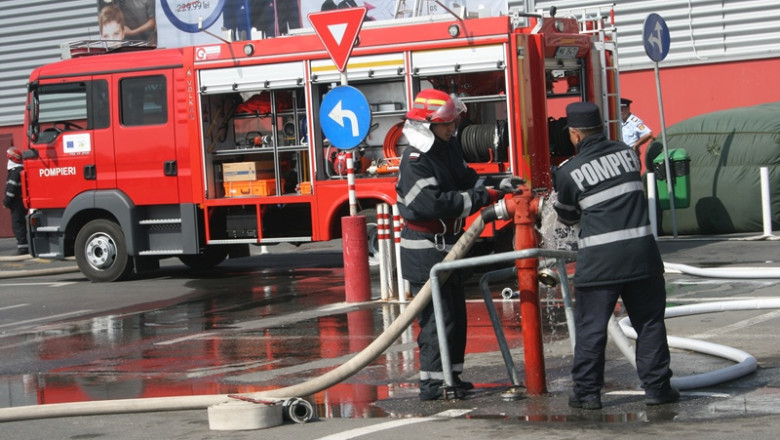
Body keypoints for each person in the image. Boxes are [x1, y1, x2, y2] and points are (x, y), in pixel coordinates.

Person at [553, 102, 679, 410]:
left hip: (600, 263)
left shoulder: (567, 172)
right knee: (649, 324)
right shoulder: (627, 154)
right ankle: (658, 390)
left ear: (574, 134)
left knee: (592, 329)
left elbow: (567, 218)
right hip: (642, 257)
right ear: (601, 127)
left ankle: (587, 394)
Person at [395, 89, 500, 401]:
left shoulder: (446, 146)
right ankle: (432, 386)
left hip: (450, 245)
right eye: (447, 124)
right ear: (428, 125)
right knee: (433, 322)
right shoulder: (414, 160)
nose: (454, 128)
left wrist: (496, 184)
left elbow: (465, 178)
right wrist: (484, 197)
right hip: (425, 249)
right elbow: (435, 204)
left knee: (454, 316)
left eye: (454, 122)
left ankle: (452, 378)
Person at [4, 147, 28, 255]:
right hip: (20, 201)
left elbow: (11, 189)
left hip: (16, 202)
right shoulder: (20, 170)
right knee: (21, 223)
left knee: (17, 224)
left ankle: (23, 247)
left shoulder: (14, 172)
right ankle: (25, 245)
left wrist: (6, 201)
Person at [620, 97, 653, 163]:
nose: (620, 112)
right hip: (621, 156)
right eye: (619, 109)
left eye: (622, 109)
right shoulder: (620, 122)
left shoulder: (634, 122)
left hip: (631, 156)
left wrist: (636, 145)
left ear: (628, 109)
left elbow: (648, 134)